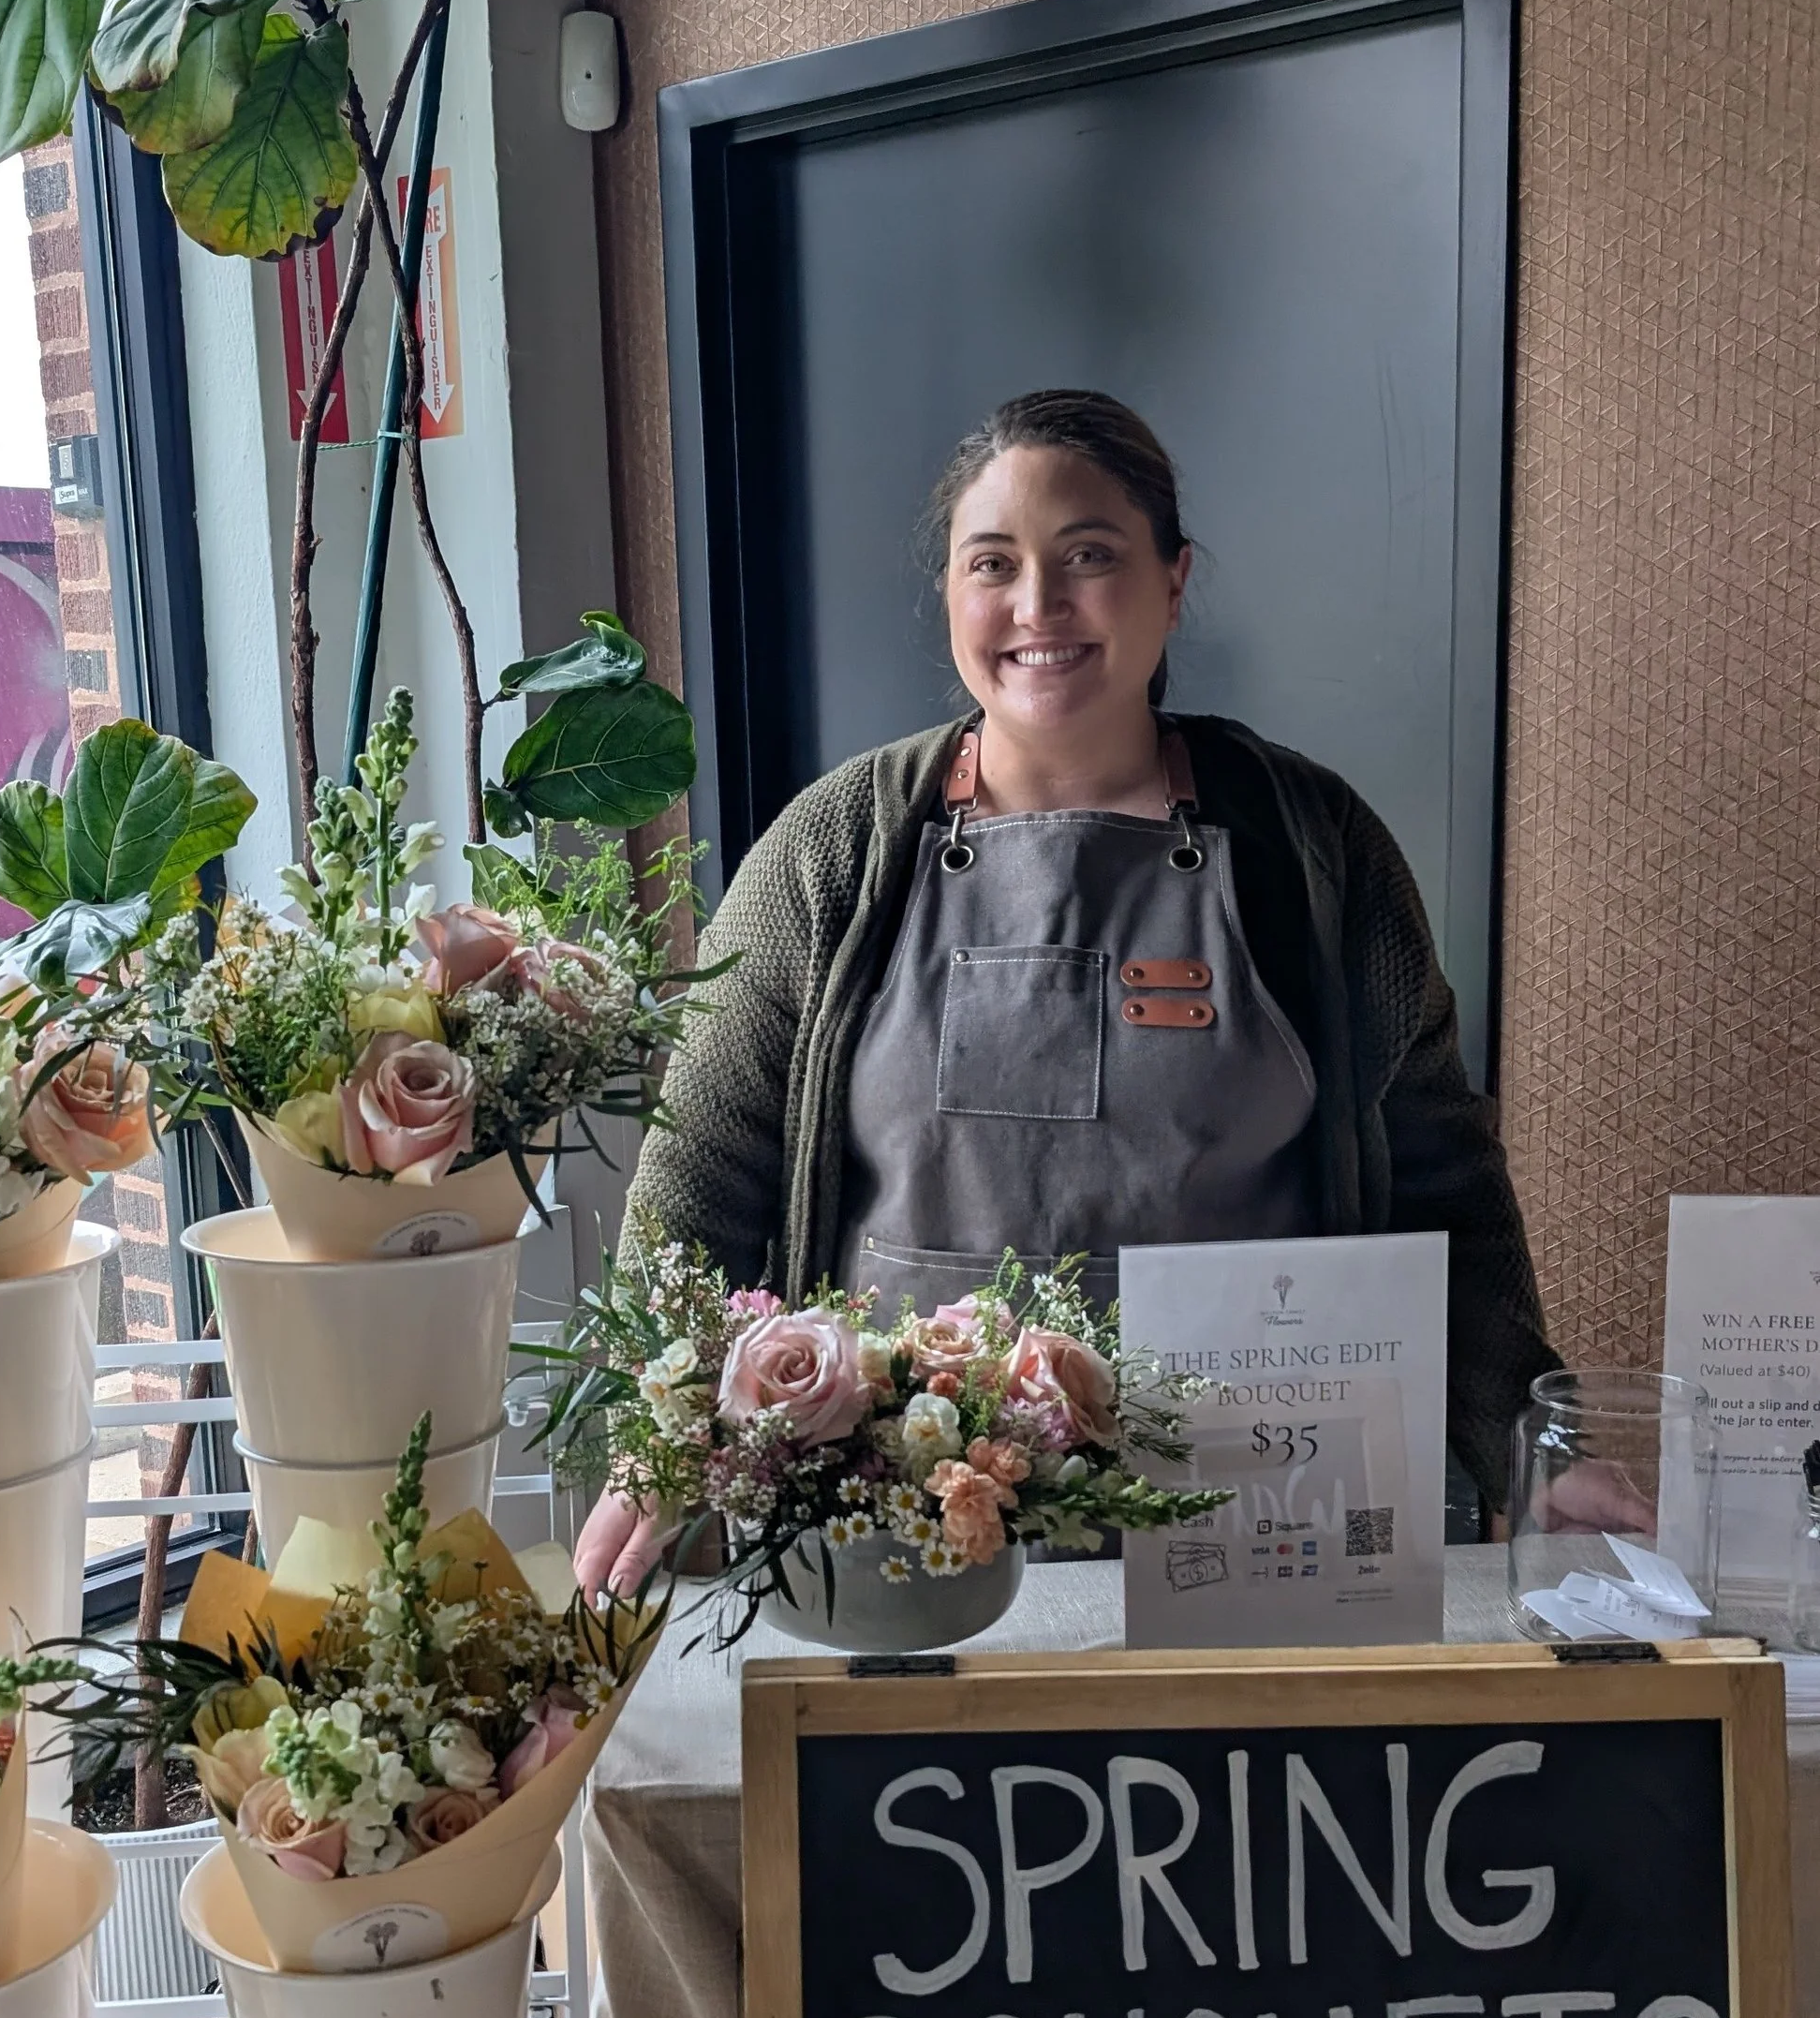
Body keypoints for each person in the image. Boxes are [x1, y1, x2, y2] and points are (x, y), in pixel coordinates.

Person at [577, 388, 1556, 1594]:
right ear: (951, 592)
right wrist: (658, 1441)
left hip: (1246, 1513)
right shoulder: (834, 847)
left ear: (1173, 581)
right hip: (892, 1510)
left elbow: (1438, 1172)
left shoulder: (1311, 844)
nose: (1036, 606)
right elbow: (707, 1159)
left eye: (1088, 556)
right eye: (993, 564)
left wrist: (1527, 1446)